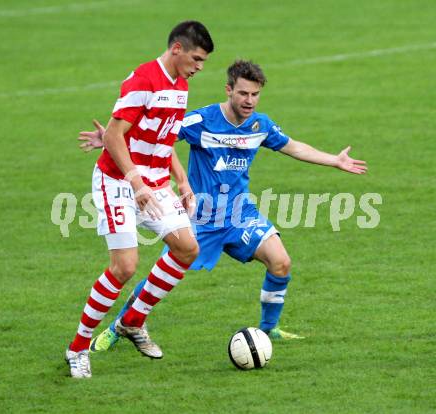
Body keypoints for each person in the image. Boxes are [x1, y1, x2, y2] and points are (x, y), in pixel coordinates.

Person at [79, 60, 367, 356]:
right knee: (162, 274)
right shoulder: (201, 121)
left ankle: (268, 330)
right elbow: (157, 136)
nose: (249, 101)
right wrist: (112, 139)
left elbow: (294, 147)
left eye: (255, 94)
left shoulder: (260, 126)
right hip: (200, 220)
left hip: (240, 216)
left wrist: (334, 160)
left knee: (281, 262)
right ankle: (120, 326)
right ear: (229, 90)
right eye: (243, 93)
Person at [66, 20, 214, 378]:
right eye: (196, 58)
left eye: (203, 62)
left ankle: (131, 322)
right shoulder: (143, 79)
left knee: (187, 248)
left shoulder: (180, 85)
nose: (199, 67)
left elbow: (164, 140)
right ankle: (78, 348)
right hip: (118, 180)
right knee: (125, 267)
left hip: (155, 181)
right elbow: (117, 134)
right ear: (176, 49)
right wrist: (135, 180)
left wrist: (182, 181)